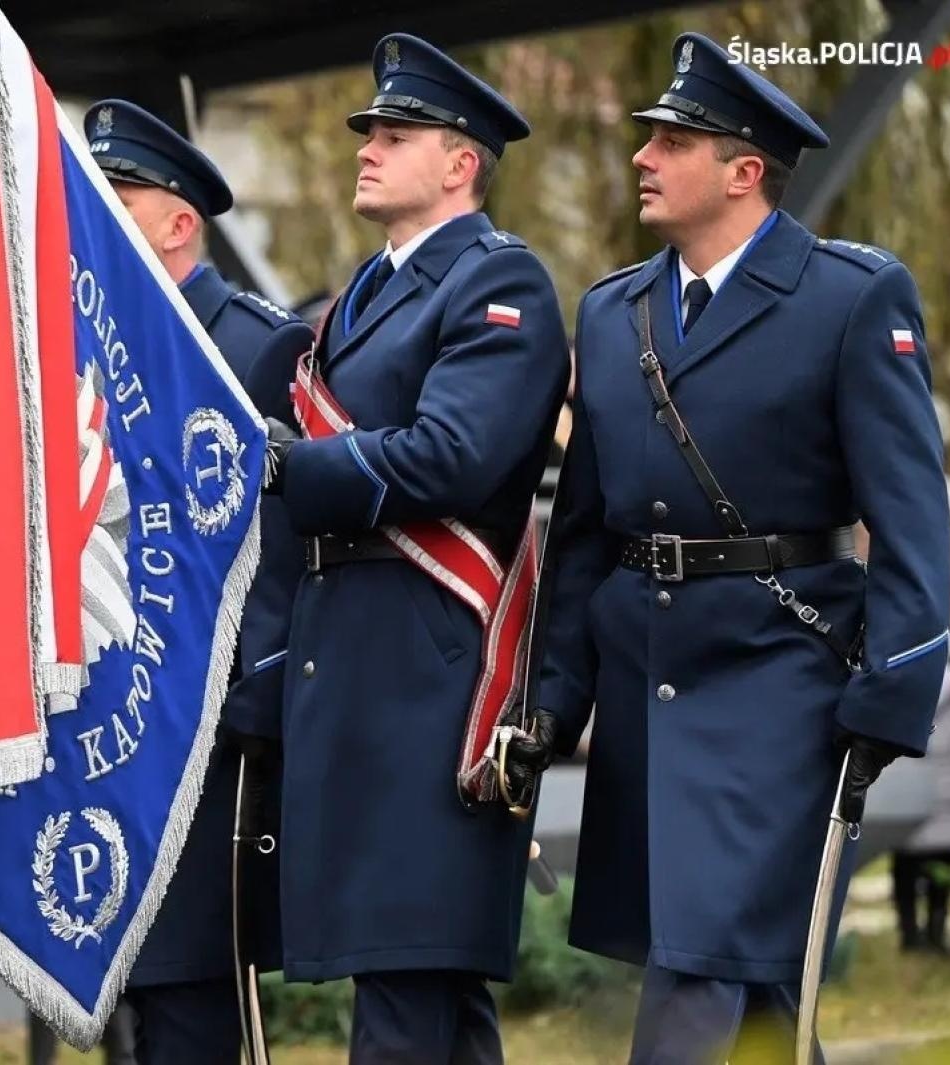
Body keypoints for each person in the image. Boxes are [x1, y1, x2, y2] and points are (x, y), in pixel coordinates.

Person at [508, 32, 950, 1063]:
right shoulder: (613, 311)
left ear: (743, 171)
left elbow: (910, 515)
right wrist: (552, 700)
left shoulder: (849, 297)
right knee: (745, 988)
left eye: (671, 140)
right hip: (645, 687)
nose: (641, 158)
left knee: (700, 971)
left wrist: (888, 696)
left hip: (781, 684)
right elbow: (582, 533)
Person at [258, 34, 568, 1063]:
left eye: (395, 135)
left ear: (460, 163)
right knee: (419, 991)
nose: (366, 150)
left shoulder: (500, 280)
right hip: (351, 653)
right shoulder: (362, 291)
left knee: (409, 983)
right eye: (368, 134)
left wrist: (294, 469)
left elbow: (452, 456)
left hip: (429, 664)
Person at [80, 97, 314, 1064]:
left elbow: (287, 535)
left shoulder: (260, 344)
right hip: (96, 711)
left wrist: (243, 693)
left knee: (189, 996)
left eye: (114, 200)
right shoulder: (76, 343)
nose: (87, 222)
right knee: (116, 993)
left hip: (205, 728)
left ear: (180, 223)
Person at [892, 645, 950, 953]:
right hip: (943, 789)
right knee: (935, 867)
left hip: (914, 789)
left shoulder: (908, 676)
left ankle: (915, 932)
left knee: (910, 866)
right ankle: (931, 931)